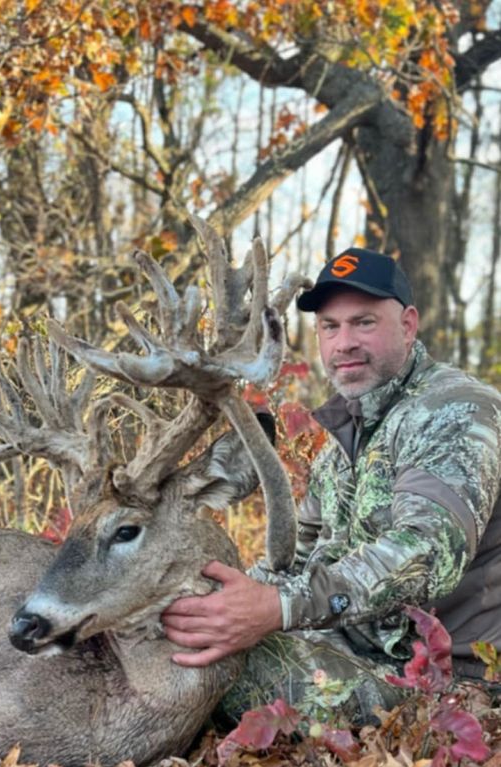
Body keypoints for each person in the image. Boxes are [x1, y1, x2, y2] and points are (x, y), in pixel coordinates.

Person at [161, 247, 501, 721]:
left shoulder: (454, 410)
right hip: (352, 647)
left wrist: (276, 608)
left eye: (364, 322)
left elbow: (427, 551)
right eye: (329, 326)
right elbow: (296, 561)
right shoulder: (347, 431)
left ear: (406, 324)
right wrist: (209, 607)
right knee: (178, 651)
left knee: (215, 683)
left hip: (447, 680)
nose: (343, 343)